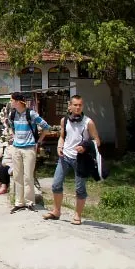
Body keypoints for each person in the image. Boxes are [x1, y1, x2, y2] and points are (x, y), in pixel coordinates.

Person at [43, 95, 102, 225]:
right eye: (75, 105)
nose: (77, 107)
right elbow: (62, 136)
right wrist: (59, 146)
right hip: (65, 157)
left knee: (80, 188)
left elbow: (97, 141)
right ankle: (56, 211)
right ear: (70, 106)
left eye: (80, 105)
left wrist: (85, 147)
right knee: (56, 184)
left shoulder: (88, 122)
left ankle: (77, 215)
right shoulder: (64, 120)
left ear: (82, 106)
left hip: (80, 159)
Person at [9, 92, 50, 214]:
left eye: (12, 100)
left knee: (28, 176)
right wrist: (14, 137)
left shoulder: (31, 113)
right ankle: (19, 202)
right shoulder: (12, 114)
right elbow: (11, 126)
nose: (10, 102)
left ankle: (29, 202)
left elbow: (46, 127)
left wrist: (38, 141)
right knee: (17, 175)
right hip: (16, 148)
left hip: (29, 148)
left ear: (18, 101)